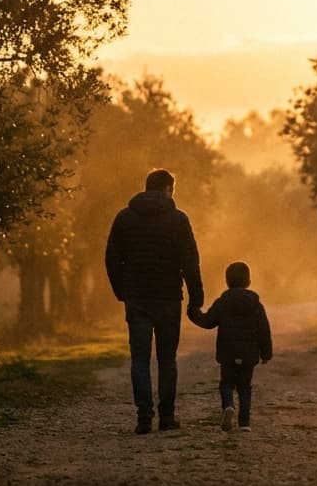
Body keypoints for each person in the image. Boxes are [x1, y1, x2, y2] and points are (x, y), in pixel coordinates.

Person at [105, 168, 204, 434]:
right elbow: (191, 262)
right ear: (168, 189)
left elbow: (111, 258)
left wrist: (121, 291)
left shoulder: (124, 218)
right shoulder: (179, 220)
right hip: (168, 297)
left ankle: (144, 417)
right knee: (167, 359)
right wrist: (196, 299)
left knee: (139, 359)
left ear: (147, 187)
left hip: (137, 297)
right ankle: (167, 417)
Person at [187, 260, 272, 433]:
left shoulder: (223, 302)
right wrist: (266, 354)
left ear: (227, 281)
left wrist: (192, 312)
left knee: (226, 383)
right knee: (245, 387)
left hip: (228, 353)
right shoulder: (256, 304)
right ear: (248, 281)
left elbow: (208, 321)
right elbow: (264, 330)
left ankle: (228, 406)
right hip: (249, 354)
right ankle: (244, 423)